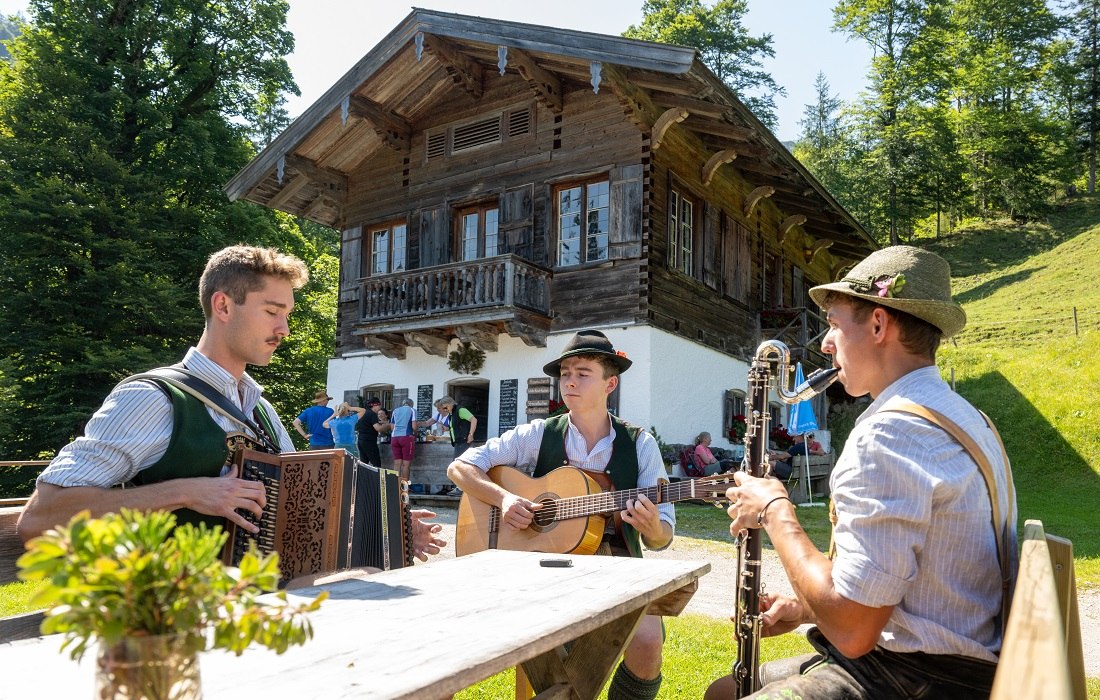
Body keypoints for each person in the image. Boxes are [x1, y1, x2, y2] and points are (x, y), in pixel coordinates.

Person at [707, 246, 1017, 699]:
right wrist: (807, 607)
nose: (826, 344)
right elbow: (912, 578)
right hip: (948, 665)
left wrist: (774, 510)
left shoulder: (891, 433)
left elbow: (852, 632)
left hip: (916, 679)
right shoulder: (966, 417)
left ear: (877, 324)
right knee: (723, 691)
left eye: (834, 324)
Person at [16, 245, 446, 563]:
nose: (285, 329)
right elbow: (41, 519)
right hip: (180, 624)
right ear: (223, 305)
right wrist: (186, 492)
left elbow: (299, 513)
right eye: (272, 312)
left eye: (288, 315)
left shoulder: (260, 409)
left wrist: (387, 526)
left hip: (264, 609)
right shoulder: (150, 398)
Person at [448, 329, 674, 700]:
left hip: (619, 565)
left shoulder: (639, 444)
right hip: (544, 566)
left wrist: (653, 529)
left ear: (609, 383)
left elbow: (662, 535)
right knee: (537, 635)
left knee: (647, 643)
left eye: (582, 373)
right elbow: (461, 467)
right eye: (565, 373)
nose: (569, 381)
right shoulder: (538, 434)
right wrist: (504, 499)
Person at [387, 398, 419, 482]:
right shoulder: (412, 410)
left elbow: (392, 427)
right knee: (406, 464)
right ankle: (404, 486)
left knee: (397, 463)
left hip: (394, 438)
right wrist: (415, 434)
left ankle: (395, 485)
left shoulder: (395, 410)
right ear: (411, 404)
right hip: (406, 437)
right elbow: (414, 426)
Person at [356, 398, 388, 467]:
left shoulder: (363, 413)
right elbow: (378, 428)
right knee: (376, 464)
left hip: (361, 441)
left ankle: (362, 477)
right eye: (379, 406)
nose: (379, 408)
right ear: (375, 405)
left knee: (363, 464)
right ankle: (377, 478)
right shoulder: (372, 414)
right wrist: (388, 426)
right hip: (369, 442)